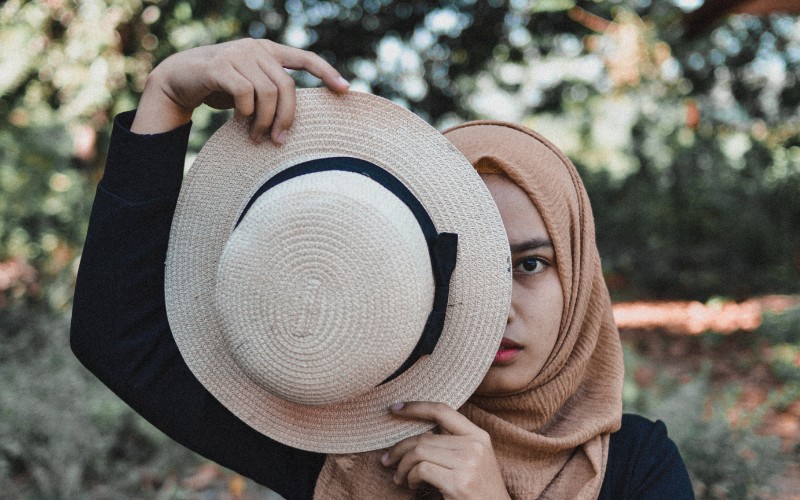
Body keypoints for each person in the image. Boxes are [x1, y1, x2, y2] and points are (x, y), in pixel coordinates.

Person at [70, 38, 693, 499]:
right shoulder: (348, 433)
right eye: (471, 268)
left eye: (530, 263)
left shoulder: (636, 466)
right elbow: (119, 336)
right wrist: (167, 97)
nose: (498, 304)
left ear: (580, 280)